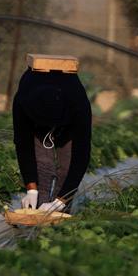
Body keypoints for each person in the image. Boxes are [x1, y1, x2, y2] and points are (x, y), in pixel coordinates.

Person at [13, 66, 92, 213]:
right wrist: (31, 190)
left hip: (66, 117)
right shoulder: (22, 102)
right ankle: (37, 211)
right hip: (36, 110)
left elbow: (81, 155)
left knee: (67, 165)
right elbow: (23, 145)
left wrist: (60, 202)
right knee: (43, 164)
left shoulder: (79, 106)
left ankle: (60, 213)